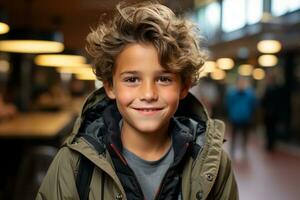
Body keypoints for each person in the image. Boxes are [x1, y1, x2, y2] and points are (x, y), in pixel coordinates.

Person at [36, 1, 238, 200]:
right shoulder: (73, 165)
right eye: (132, 79)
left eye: (164, 79)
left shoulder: (214, 165)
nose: (148, 94)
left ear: (183, 87)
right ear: (110, 86)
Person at [225, 77, 256, 158]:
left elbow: (254, 104)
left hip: (246, 118)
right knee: (234, 135)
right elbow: (228, 104)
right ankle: (232, 150)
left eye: (243, 83)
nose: (241, 84)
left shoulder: (250, 94)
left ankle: (244, 149)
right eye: (240, 83)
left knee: (245, 135)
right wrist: (230, 114)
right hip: (234, 118)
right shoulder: (232, 93)